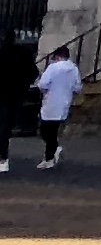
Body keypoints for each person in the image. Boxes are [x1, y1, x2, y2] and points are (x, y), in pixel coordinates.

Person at [21, 40, 78, 170]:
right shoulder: (74, 69)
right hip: (64, 102)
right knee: (53, 130)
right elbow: (77, 87)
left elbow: (43, 84)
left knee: (45, 131)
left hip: (51, 102)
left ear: (57, 56)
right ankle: (53, 152)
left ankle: (49, 158)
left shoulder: (53, 68)